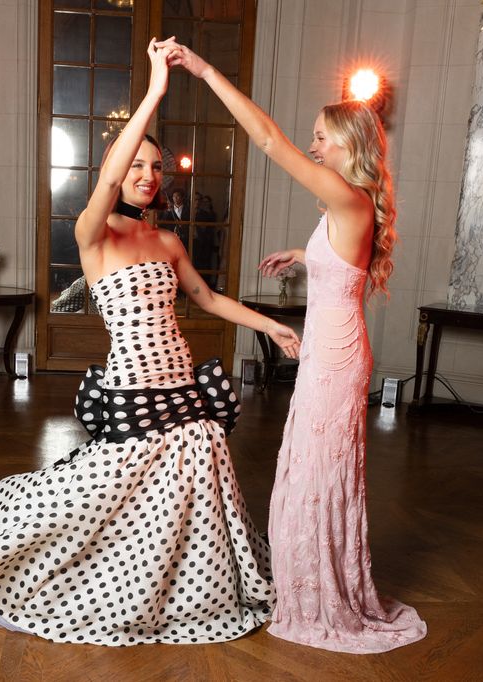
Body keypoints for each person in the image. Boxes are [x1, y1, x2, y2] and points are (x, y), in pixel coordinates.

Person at [0, 38, 302, 647]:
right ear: (117, 172)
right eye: (136, 166)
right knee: (100, 494)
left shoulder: (167, 242)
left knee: (188, 498)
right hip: (132, 383)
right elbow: (105, 178)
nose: (147, 177)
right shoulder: (92, 234)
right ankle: (71, 573)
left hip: (182, 384)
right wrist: (155, 91)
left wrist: (270, 325)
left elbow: (206, 299)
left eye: (156, 168)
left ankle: (185, 593)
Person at [162, 39, 427, 653]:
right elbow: (344, 265)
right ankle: (310, 587)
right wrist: (303, 254)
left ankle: (323, 599)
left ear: (349, 145)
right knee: (312, 469)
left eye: (321, 137)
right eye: (311, 137)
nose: (312, 146)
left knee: (319, 472)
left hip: (335, 358)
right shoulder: (347, 203)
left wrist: (205, 69)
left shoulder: (349, 198)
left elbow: (267, 140)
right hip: (329, 351)